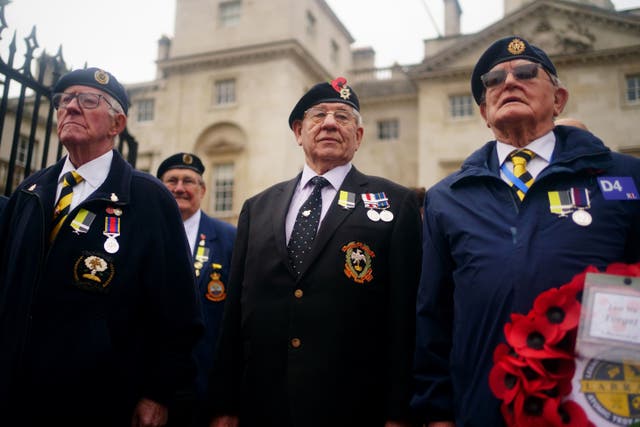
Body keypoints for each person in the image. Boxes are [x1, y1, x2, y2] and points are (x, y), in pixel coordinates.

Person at [411, 36, 640, 426]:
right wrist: (437, 414)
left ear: (559, 99)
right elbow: (434, 317)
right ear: (483, 111)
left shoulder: (624, 177)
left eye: (527, 73)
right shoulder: (446, 198)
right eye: (495, 79)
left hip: (597, 409)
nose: (509, 81)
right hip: (482, 409)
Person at [207, 77, 422, 427]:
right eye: (319, 114)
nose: (330, 123)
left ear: (359, 135)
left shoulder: (396, 204)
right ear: (298, 131)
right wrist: (223, 404)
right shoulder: (257, 208)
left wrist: (399, 413)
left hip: (354, 406)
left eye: (343, 116)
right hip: (263, 404)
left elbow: (404, 319)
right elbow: (235, 315)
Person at [0, 67, 204, 427]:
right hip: (18, 391)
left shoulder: (148, 197)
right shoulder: (31, 192)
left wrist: (158, 391)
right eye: (64, 101)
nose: (71, 108)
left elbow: (177, 308)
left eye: (87, 100)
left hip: (100, 399)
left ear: (117, 124)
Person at [157, 152, 237, 427]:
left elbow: (237, 323)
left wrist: (228, 403)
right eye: (172, 181)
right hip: (147, 392)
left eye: (188, 181)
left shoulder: (229, 239)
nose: (180, 188)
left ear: (202, 190)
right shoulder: (145, 233)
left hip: (206, 392)